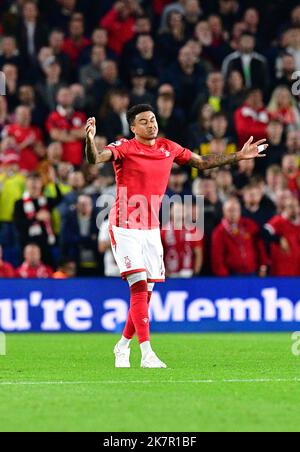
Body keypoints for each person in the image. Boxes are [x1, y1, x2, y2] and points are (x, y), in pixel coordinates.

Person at [85, 104, 268, 369]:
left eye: (153, 119)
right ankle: (147, 353)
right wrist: (89, 141)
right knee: (138, 286)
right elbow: (95, 158)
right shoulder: (124, 147)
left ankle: (122, 346)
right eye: (144, 122)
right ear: (133, 127)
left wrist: (238, 156)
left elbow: (202, 163)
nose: (151, 124)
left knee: (145, 294)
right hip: (125, 225)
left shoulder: (168, 147)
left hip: (150, 228)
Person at [211, 197, 269, 277]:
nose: (233, 213)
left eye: (235, 210)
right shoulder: (219, 232)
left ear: (240, 211)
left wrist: (263, 265)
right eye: (230, 210)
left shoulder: (249, 225)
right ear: (224, 212)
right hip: (232, 275)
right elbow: (217, 258)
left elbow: (259, 246)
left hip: (252, 272)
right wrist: (224, 278)